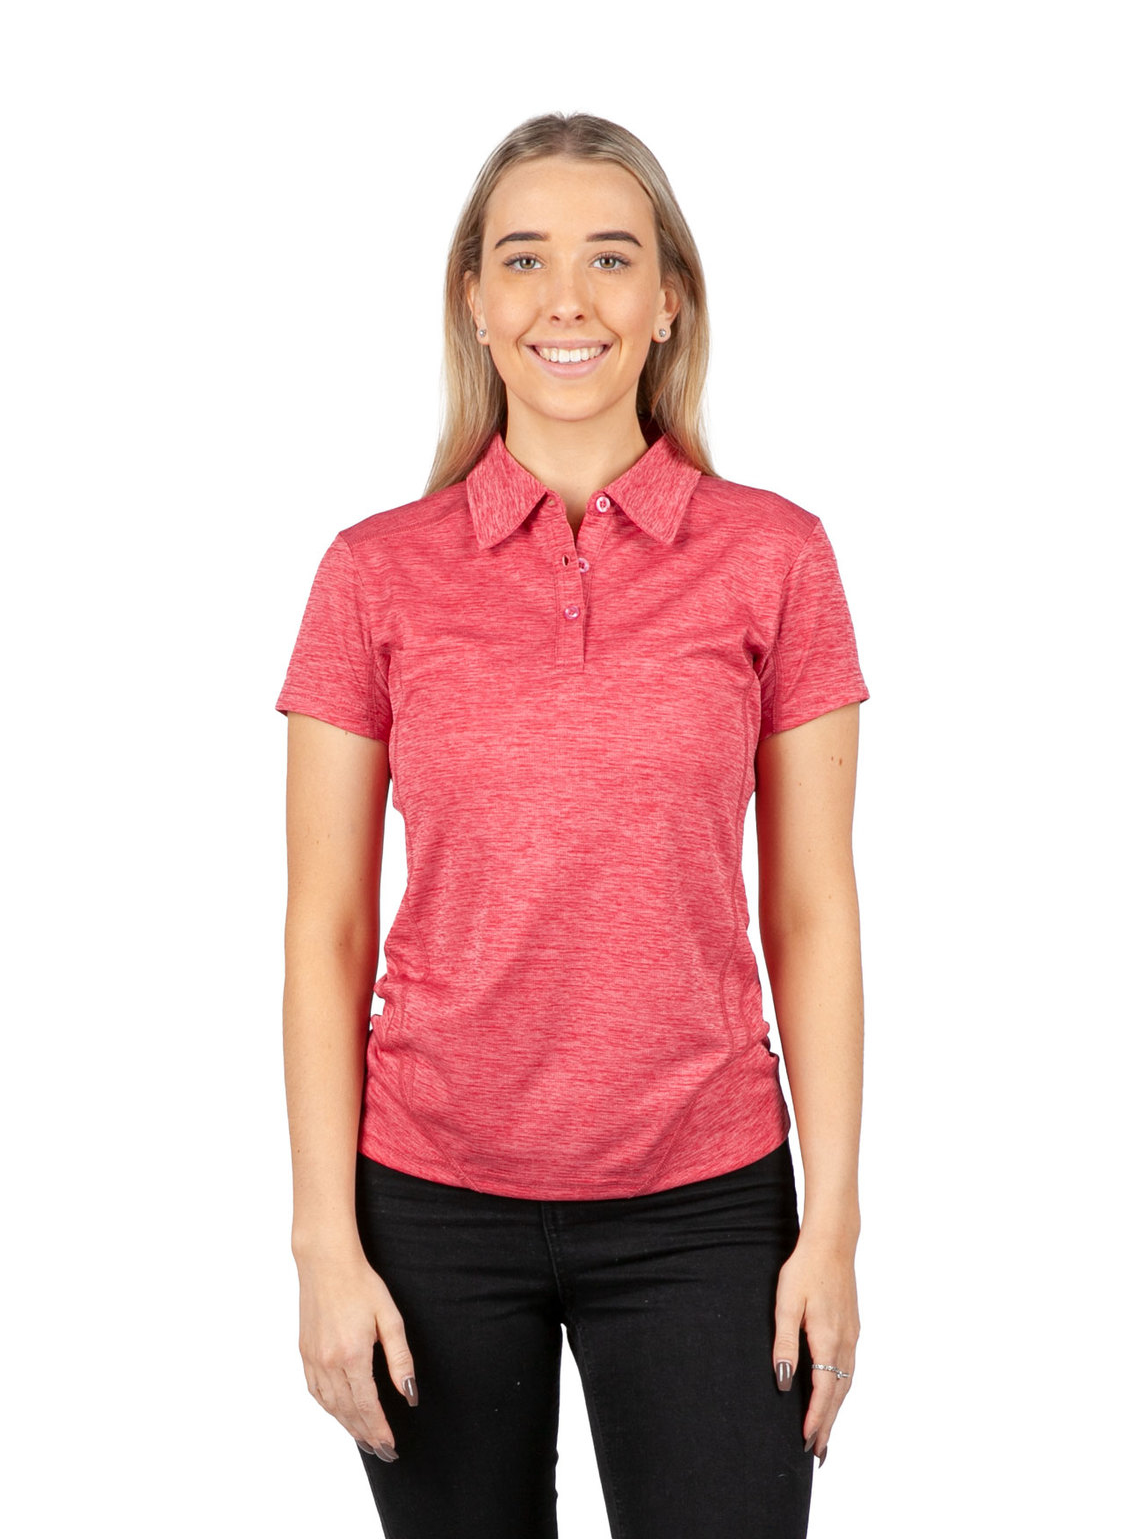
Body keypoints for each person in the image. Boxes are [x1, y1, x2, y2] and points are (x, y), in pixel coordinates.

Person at [275, 110, 870, 1539]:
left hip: (705, 1200)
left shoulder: (775, 557)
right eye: (523, 258)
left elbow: (810, 911)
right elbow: (326, 928)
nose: (566, 298)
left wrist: (833, 1224)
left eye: (610, 257)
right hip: (428, 1204)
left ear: (668, 301)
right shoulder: (373, 575)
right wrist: (322, 1245)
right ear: (474, 302)